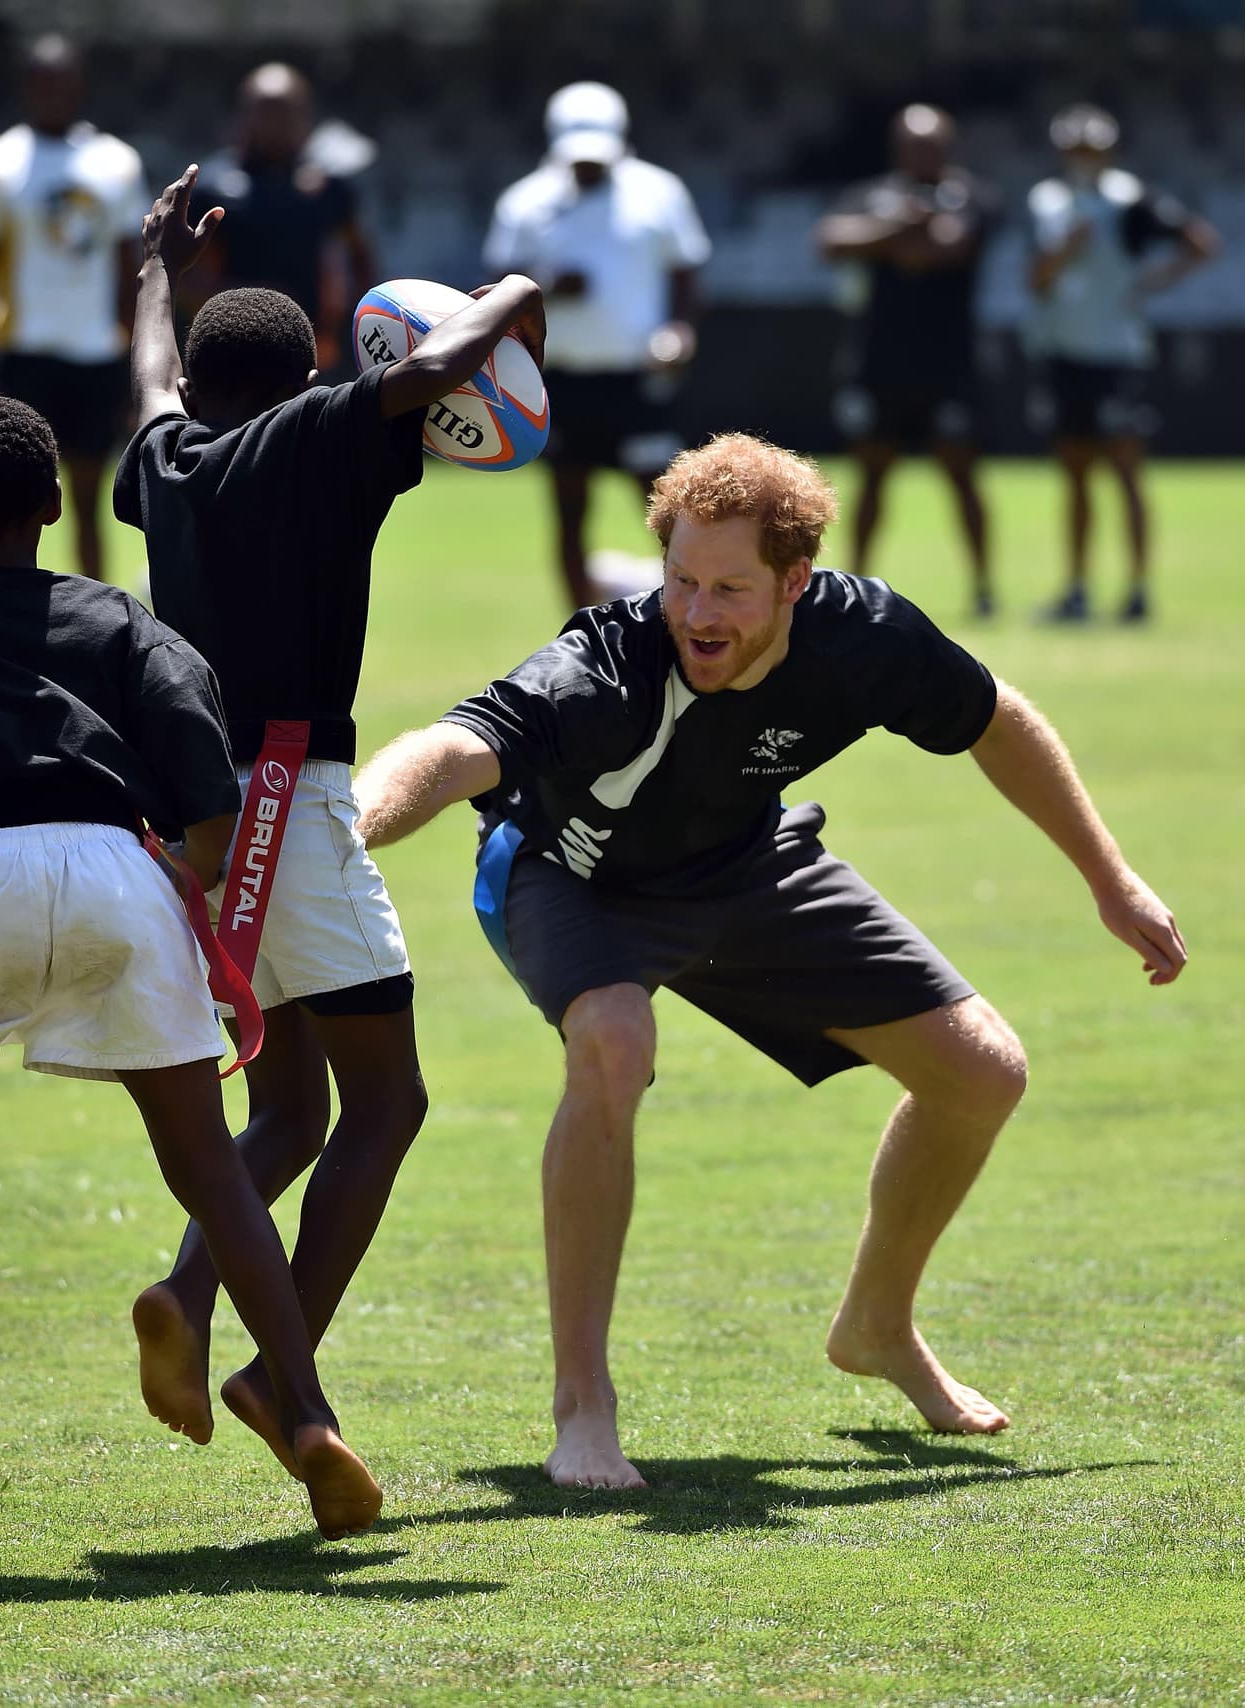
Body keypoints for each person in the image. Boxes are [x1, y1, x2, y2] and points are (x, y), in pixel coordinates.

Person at [353, 432, 1187, 1490]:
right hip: (572, 877)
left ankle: (877, 1324)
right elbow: (456, 746)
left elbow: (996, 720)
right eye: (681, 581)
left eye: (731, 589)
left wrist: (1109, 881)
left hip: (743, 866)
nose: (698, 614)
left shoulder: (863, 636)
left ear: (797, 581)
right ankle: (582, 1406)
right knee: (610, 1041)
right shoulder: (610, 662)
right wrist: (352, 826)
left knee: (981, 1072)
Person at [112, 164, 545, 1475]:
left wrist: (155, 278)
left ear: (196, 384)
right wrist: (519, 289)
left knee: (291, 1110)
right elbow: (445, 363)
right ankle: (274, 1370)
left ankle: (187, 1300)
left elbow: (148, 377)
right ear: (309, 376)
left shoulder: (167, 455)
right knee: (391, 1103)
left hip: (191, 819)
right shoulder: (316, 437)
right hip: (289, 811)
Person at [0, 391, 382, 1539]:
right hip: (114, 874)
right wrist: (187, 900)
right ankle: (305, 1413)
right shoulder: (121, 622)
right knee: (213, 1166)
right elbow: (209, 820)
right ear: (54, 505)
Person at [483, 80, 711, 609]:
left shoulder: (660, 192)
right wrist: (546, 284)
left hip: (636, 376)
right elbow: (496, 284)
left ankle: (691, 607)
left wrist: (682, 333)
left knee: (668, 509)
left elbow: (686, 278)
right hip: (559, 378)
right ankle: (575, 625)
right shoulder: (525, 201)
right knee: (568, 506)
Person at [1026, 103, 1220, 622]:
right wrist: (1065, 252)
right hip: (1064, 348)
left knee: (1126, 470)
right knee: (1075, 472)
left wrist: (1148, 285)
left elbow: (1200, 243)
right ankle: (1077, 587)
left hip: (1114, 353)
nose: (1083, 157)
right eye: (1075, 148)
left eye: (1091, 148)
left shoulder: (1131, 199)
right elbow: (1037, 279)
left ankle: (1136, 587)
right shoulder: (1047, 201)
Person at [0, 34, 148, 582]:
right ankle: (18, 616)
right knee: (14, 506)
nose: (53, 94)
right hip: (23, 356)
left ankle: (92, 612)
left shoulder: (115, 163)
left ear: (78, 87)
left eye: (62, 83)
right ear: (27, 89)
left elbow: (127, 272)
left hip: (94, 358)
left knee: (89, 501)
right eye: (42, 84)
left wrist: (131, 364)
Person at [817, 105, 999, 616]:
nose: (923, 154)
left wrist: (886, 238)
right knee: (871, 476)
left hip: (948, 364)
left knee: (962, 474)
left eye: (933, 145)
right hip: (881, 363)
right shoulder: (873, 195)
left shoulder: (973, 196)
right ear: (897, 147)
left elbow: (945, 250)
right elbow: (830, 240)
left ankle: (983, 586)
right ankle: (851, 585)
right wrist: (899, 227)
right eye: (914, 145)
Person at [185, 62, 377, 374]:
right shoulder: (214, 186)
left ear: (304, 116)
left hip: (313, 354)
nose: (277, 124)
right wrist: (249, 299)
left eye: (287, 113)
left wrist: (346, 321)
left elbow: (361, 258)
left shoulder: (329, 186)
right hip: (232, 352)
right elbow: (183, 275)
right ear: (245, 115)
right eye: (267, 112)